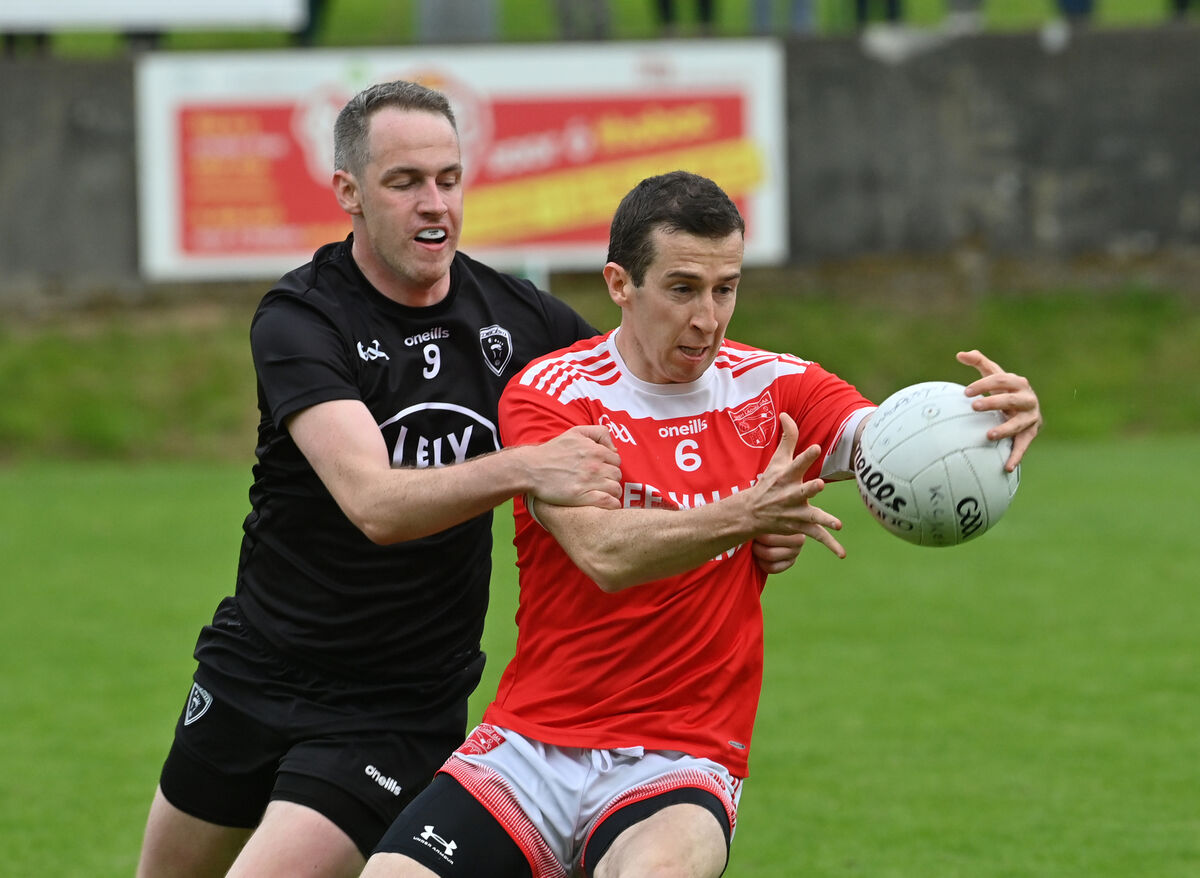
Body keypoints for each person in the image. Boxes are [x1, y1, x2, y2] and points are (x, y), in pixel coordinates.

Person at [361, 171, 1043, 878]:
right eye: (683, 289)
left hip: (680, 760)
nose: (709, 318)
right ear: (621, 284)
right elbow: (602, 552)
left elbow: (894, 444)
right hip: (534, 745)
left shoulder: (776, 386)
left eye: (727, 289)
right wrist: (745, 514)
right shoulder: (554, 393)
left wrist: (986, 422)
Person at [133, 79, 629, 878]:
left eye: (449, 179)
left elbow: (642, 416)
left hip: (394, 711)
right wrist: (528, 465)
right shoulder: (302, 318)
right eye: (404, 183)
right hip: (254, 665)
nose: (434, 204)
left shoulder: (523, 322)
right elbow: (375, 503)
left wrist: (739, 519)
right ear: (349, 193)